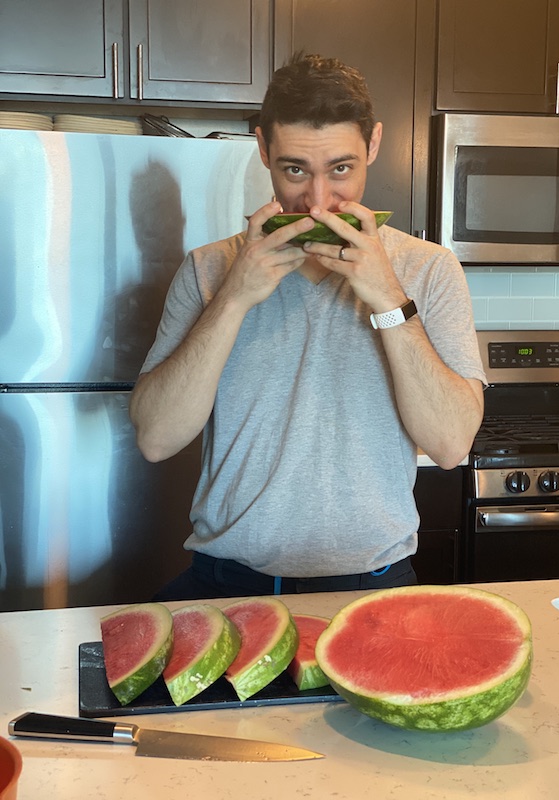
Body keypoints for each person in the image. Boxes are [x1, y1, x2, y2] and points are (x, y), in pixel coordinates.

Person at [129, 53, 487, 600]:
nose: (318, 202)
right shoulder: (209, 268)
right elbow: (156, 438)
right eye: (295, 169)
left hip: (374, 585)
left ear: (373, 145)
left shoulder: (430, 270)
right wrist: (234, 298)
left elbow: (449, 444)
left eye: (341, 168)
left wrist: (388, 298)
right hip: (226, 583)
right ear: (264, 151)